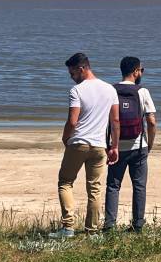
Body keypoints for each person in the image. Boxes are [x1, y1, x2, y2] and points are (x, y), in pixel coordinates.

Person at [50, 52, 120, 238]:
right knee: (94, 188)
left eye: (72, 74)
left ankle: (68, 227)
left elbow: (72, 121)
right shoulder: (109, 89)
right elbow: (115, 121)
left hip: (79, 142)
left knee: (65, 182)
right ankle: (92, 230)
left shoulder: (77, 90)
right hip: (99, 146)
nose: (72, 78)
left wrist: (65, 138)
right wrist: (115, 146)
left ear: (81, 69)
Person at [104, 56, 157, 233]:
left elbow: (106, 121)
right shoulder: (143, 92)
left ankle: (110, 226)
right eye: (141, 69)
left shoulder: (111, 91)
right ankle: (137, 226)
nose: (142, 73)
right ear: (135, 71)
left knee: (113, 186)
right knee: (139, 186)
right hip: (138, 146)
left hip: (116, 147)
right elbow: (151, 121)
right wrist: (149, 144)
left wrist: (109, 145)